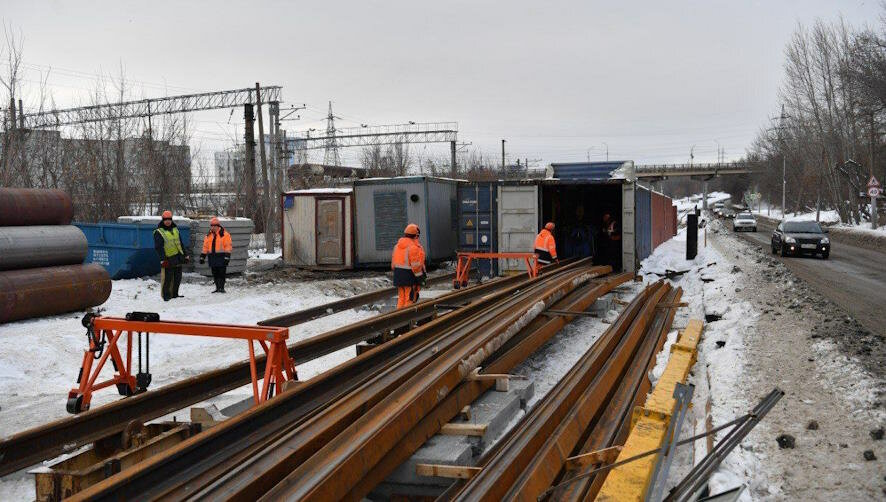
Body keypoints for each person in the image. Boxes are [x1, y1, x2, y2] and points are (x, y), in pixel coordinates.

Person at [153, 210, 190, 301]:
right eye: (166, 219)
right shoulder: (159, 232)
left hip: (178, 257)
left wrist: (185, 254)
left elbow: (180, 243)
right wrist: (163, 259)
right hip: (168, 258)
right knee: (168, 278)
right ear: (163, 220)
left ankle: (175, 294)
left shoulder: (175, 229)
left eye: (169, 219)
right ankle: (166, 296)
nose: (168, 221)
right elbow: (159, 247)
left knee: (178, 277)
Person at [391, 223, 426, 309]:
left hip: (398, 275)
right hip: (409, 277)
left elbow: (393, 265)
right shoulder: (413, 247)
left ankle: (398, 318)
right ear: (415, 236)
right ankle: (407, 319)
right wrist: (420, 278)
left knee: (401, 298)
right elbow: (416, 266)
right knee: (409, 299)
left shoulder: (397, 246)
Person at [200, 217, 233, 293]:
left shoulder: (225, 234)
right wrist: (202, 257)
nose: (213, 227)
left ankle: (222, 288)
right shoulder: (208, 235)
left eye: (215, 226)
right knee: (215, 273)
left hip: (221, 256)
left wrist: (227, 257)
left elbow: (228, 246)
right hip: (212, 256)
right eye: (212, 226)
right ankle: (217, 288)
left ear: (218, 226)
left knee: (221, 273)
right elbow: (205, 247)